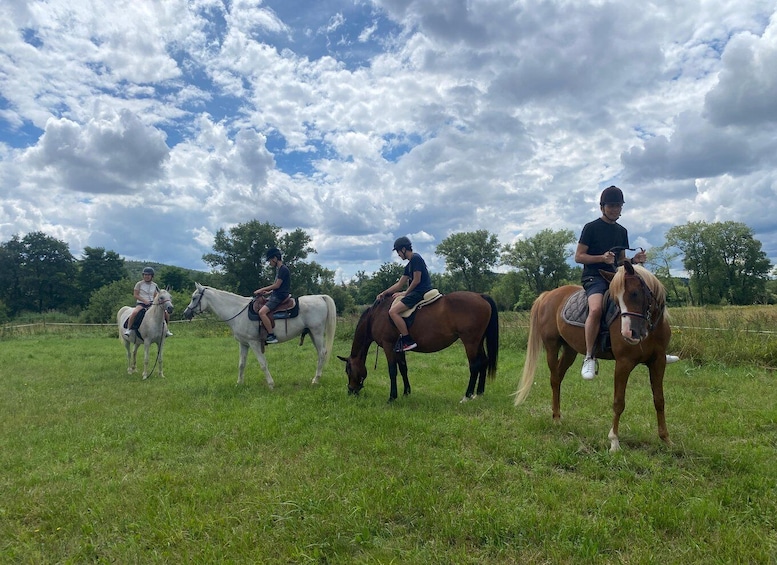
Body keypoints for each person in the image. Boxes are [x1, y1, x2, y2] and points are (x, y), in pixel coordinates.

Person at [574, 186, 646, 380]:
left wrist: (635, 260)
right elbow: (578, 257)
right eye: (611, 205)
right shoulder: (591, 227)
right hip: (594, 277)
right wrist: (601, 258)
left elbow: (622, 261)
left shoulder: (622, 231)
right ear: (602, 207)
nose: (614, 209)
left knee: (643, 300)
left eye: (618, 206)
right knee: (596, 309)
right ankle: (589, 356)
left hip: (615, 277)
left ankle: (649, 348)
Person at [377, 236, 433, 352]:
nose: (398, 254)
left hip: (420, 292)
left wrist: (405, 294)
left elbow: (417, 280)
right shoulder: (409, 265)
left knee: (393, 312)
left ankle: (407, 340)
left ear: (403, 249)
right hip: (416, 291)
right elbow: (399, 284)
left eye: (398, 251)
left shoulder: (416, 259)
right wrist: (384, 293)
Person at [253, 248, 291, 344]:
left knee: (262, 312)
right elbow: (278, 287)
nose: (269, 263)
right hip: (276, 294)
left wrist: (261, 289)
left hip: (279, 296)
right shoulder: (279, 270)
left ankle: (271, 335)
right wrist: (268, 293)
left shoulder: (283, 269)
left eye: (270, 260)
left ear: (275, 258)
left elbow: (277, 285)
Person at [124, 266, 173, 337]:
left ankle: (166, 330)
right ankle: (129, 329)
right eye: (145, 275)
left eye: (148, 275)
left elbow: (156, 296)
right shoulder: (139, 284)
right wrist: (144, 301)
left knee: (165, 313)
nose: (146, 276)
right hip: (141, 303)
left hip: (152, 304)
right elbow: (135, 295)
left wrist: (156, 302)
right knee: (135, 312)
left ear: (152, 276)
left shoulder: (155, 285)